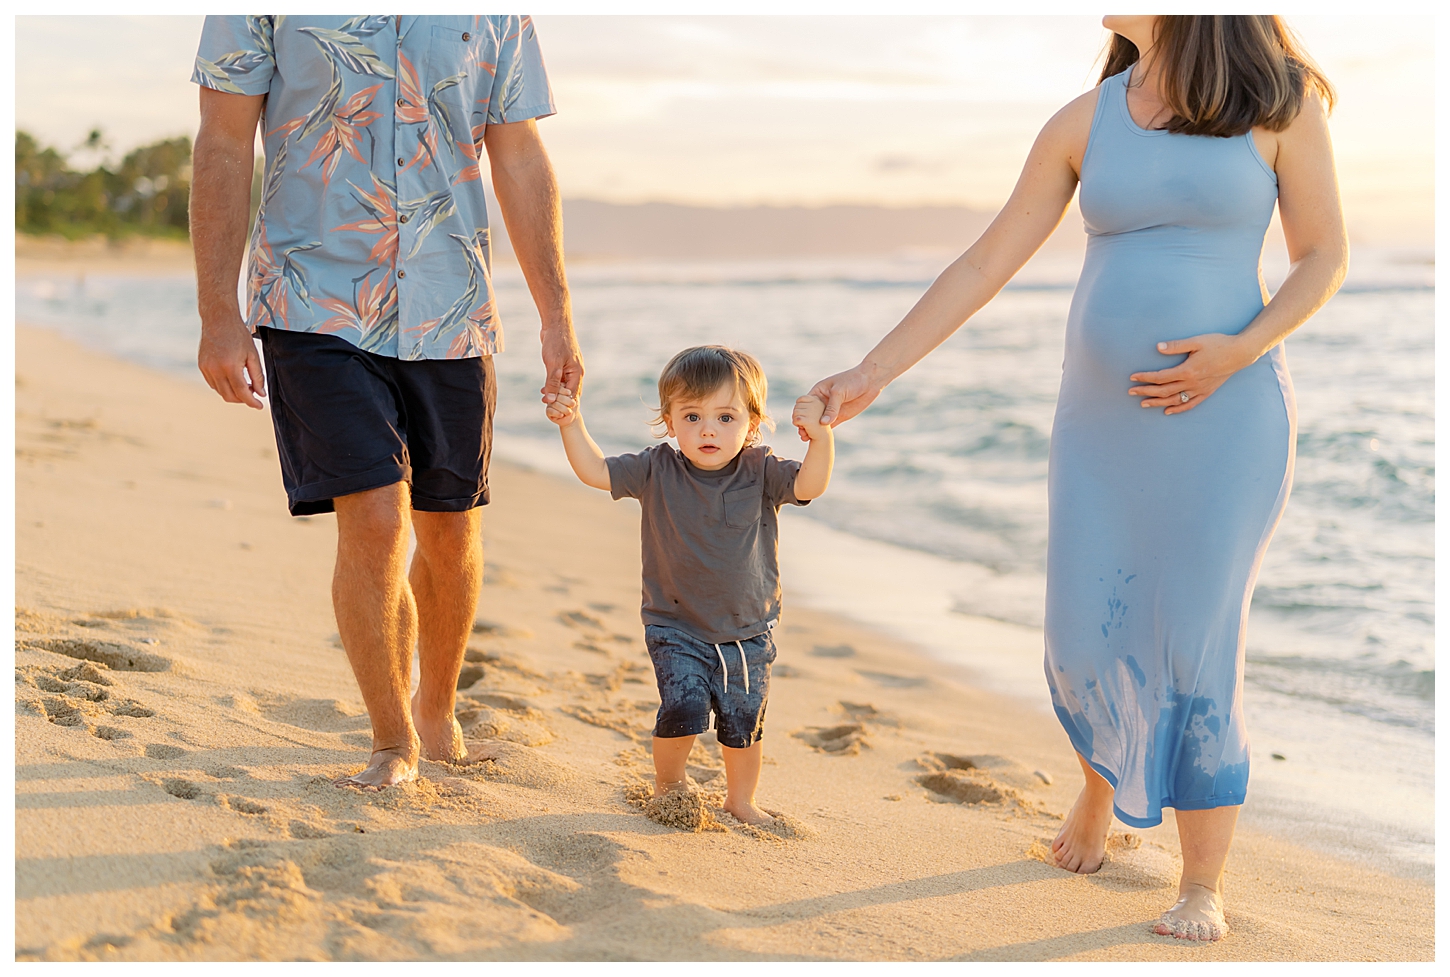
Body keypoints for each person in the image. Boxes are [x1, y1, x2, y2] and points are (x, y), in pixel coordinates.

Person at [802, 16, 1347, 941]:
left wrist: (1239, 351)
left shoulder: (1279, 101)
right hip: (1098, 428)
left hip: (1227, 418)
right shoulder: (1082, 121)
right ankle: (1102, 784)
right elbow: (984, 262)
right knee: (1089, 631)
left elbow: (1323, 256)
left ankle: (1201, 882)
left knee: (1195, 638)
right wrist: (870, 372)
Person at [189, 16, 583, 790]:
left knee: (450, 530)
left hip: (452, 303)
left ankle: (436, 706)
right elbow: (223, 142)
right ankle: (392, 738)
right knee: (372, 517)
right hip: (312, 299)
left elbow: (521, 155)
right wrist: (217, 313)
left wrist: (557, 312)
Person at [545, 346, 833, 824]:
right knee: (683, 705)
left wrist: (820, 439)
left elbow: (810, 486)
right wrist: (570, 423)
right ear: (669, 419)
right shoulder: (657, 468)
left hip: (747, 628)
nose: (707, 430)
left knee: (744, 720)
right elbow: (595, 472)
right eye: (692, 415)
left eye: (725, 417)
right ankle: (671, 787)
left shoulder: (761, 469)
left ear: (753, 422)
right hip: (674, 624)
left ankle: (741, 801)